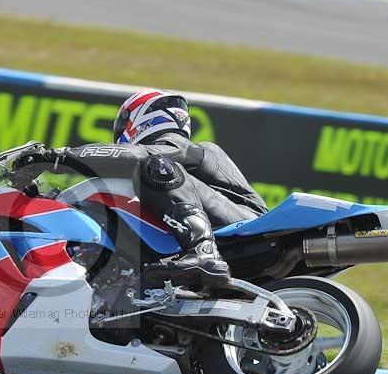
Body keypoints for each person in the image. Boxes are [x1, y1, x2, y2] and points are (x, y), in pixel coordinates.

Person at [15, 89, 267, 286]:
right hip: (234, 232)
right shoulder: (183, 160)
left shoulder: (185, 147)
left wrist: (59, 156)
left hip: (248, 226)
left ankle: (203, 251)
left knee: (155, 166)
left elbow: (136, 155)